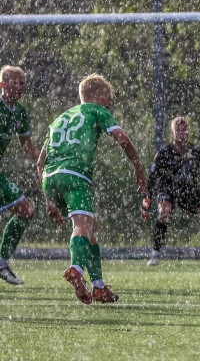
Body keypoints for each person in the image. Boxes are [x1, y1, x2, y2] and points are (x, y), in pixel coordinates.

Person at [38, 73, 147, 304]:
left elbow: (40, 162)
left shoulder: (59, 118)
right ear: (96, 95)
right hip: (75, 176)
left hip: (50, 178)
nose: (109, 103)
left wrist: (49, 201)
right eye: (107, 97)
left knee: (91, 227)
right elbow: (123, 139)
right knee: (82, 225)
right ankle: (76, 270)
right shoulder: (96, 111)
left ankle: (98, 287)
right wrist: (138, 167)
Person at [142, 116, 200, 266]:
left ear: (188, 132)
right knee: (164, 211)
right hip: (168, 189)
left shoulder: (195, 152)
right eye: (177, 129)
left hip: (189, 191)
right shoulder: (163, 153)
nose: (181, 132)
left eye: (184, 129)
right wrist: (147, 197)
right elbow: (152, 178)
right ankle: (155, 254)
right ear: (172, 133)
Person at [0, 66, 60, 285]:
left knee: (26, 210)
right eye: (15, 82)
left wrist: (45, 160)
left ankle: (2, 262)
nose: (20, 87)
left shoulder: (20, 112)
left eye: (22, 83)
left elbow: (26, 145)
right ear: (2, 85)